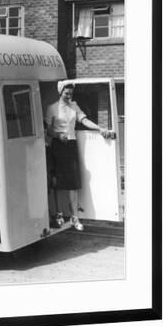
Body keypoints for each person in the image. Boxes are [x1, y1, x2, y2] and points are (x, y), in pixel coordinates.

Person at [44, 82, 110, 231]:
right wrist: (58, 135)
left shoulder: (74, 106)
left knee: (73, 182)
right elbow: (48, 130)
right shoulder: (52, 108)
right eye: (66, 93)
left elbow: (84, 120)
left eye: (71, 93)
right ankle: (58, 214)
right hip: (58, 145)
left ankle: (75, 217)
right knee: (57, 180)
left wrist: (100, 128)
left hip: (71, 145)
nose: (69, 96)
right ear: (60, 92)